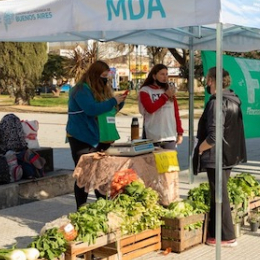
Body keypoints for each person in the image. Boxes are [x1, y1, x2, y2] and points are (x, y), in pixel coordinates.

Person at [193, 67, 247, 247]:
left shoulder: (217, 102)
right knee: (220, 194)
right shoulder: (233, 100)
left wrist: (201, 148)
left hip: (217, 156)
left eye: (208, 79)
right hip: (227, 155)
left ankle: (226, 236)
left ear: (211, 81)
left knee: (219, 196)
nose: (206, 82)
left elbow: (214, 136)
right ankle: (217, 233)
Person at [67, 60, 127, 209]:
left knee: (102, 175)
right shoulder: (80, 90)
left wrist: (118, 103)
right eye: (103, 76)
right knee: (84, 176)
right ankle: (81, 209)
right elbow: (91, 109)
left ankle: (103, 208)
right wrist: (113, 100)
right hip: (82, 137)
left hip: (101, 137)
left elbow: (107, 110)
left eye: (107, 76)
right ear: (94, 74)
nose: (105, 79)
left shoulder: (102, 89)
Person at [138, 64, 183, 150]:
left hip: (169, 136)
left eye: (166, 74)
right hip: (153, 136)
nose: (165, 77)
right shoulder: (145, 90)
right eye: (162, 74)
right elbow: (150, 109)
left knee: (170, 163)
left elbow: (175, 112)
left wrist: (180, 132)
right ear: (154, 76)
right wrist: (165, 96)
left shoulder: (168, 90)